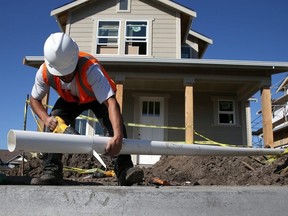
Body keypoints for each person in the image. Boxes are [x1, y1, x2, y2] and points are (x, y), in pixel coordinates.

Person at [30, 32, 144, 186]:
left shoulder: (91, 70)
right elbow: (34, 99)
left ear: (75, 60)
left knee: (113, 126)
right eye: (61, 75)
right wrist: (46, 119)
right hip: (69, 100)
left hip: (95, 99)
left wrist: (117, 136)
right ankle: (51, 171)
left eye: (68, 72)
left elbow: (111, 103)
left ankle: (124, 170)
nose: (65, 77)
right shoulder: (44, 72)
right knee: (54, 120)